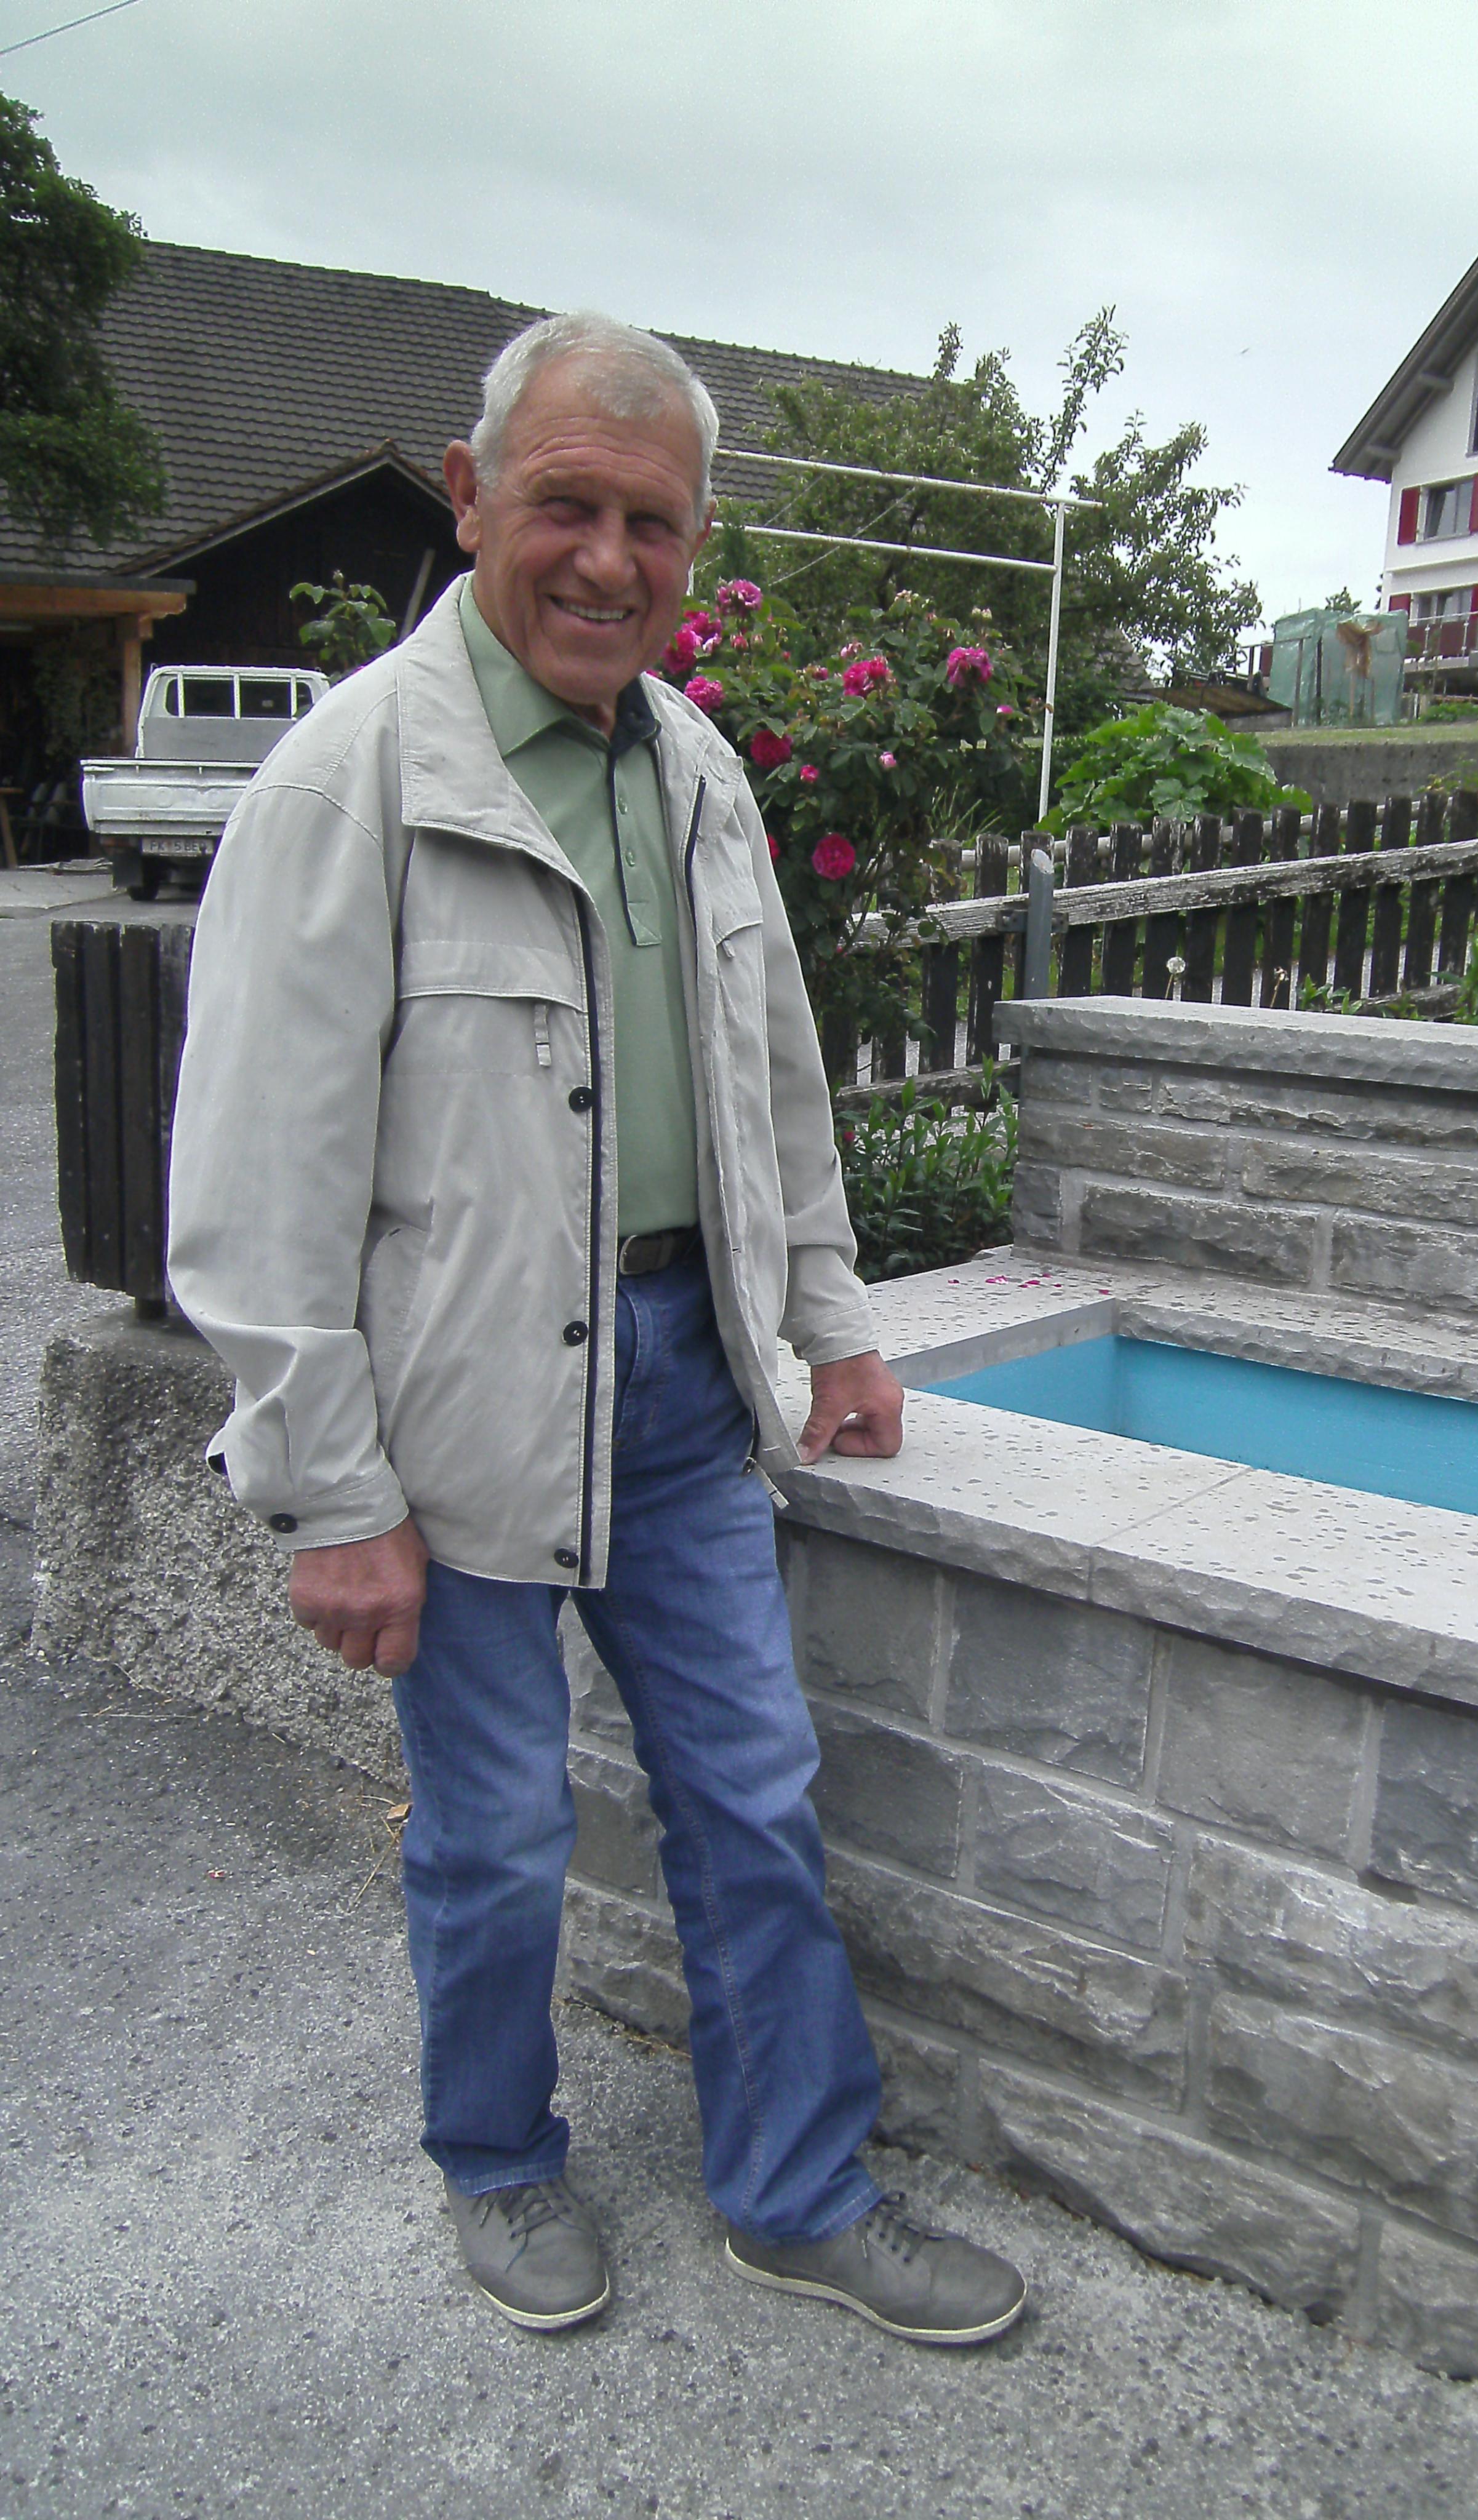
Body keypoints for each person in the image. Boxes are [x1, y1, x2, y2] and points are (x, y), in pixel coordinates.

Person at [166, 311, 1026, 2349]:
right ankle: (496, 2157)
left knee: (755, 1799)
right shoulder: (352, 782)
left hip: (682, 1382)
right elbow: (260, 1175)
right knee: (498, 1834)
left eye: (653, 523)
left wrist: (835, 1326)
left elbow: (772, 1078)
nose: (608, 561)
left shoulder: (698, 766)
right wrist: (326, 1493)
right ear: (472, 500)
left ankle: (797, 2191)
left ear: (693, 541)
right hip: (452, 1408)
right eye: (567, 506)